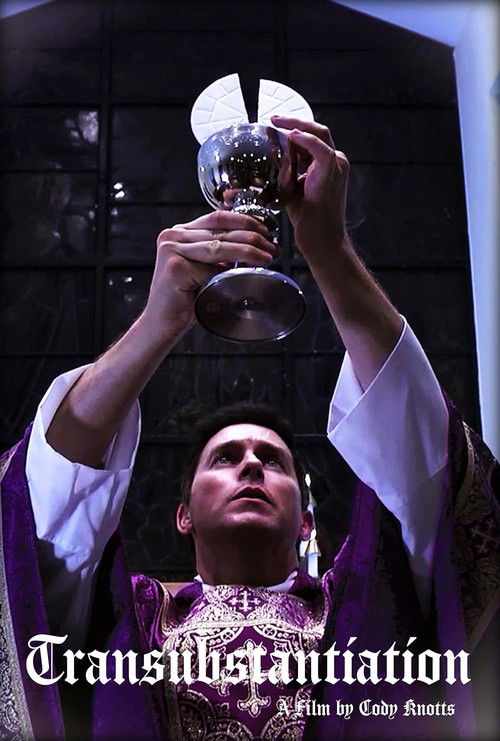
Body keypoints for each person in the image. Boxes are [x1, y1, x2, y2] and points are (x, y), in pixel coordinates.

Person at [0, 117, 498, 740]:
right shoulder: (124, 621)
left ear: (308, 522)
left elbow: (432, 481)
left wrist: (329, 252)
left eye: (274, 460)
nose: (252, 465)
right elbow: (41, 519)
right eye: (225, 458)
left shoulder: (366, 602)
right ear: (183, 515)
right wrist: (156, 325)